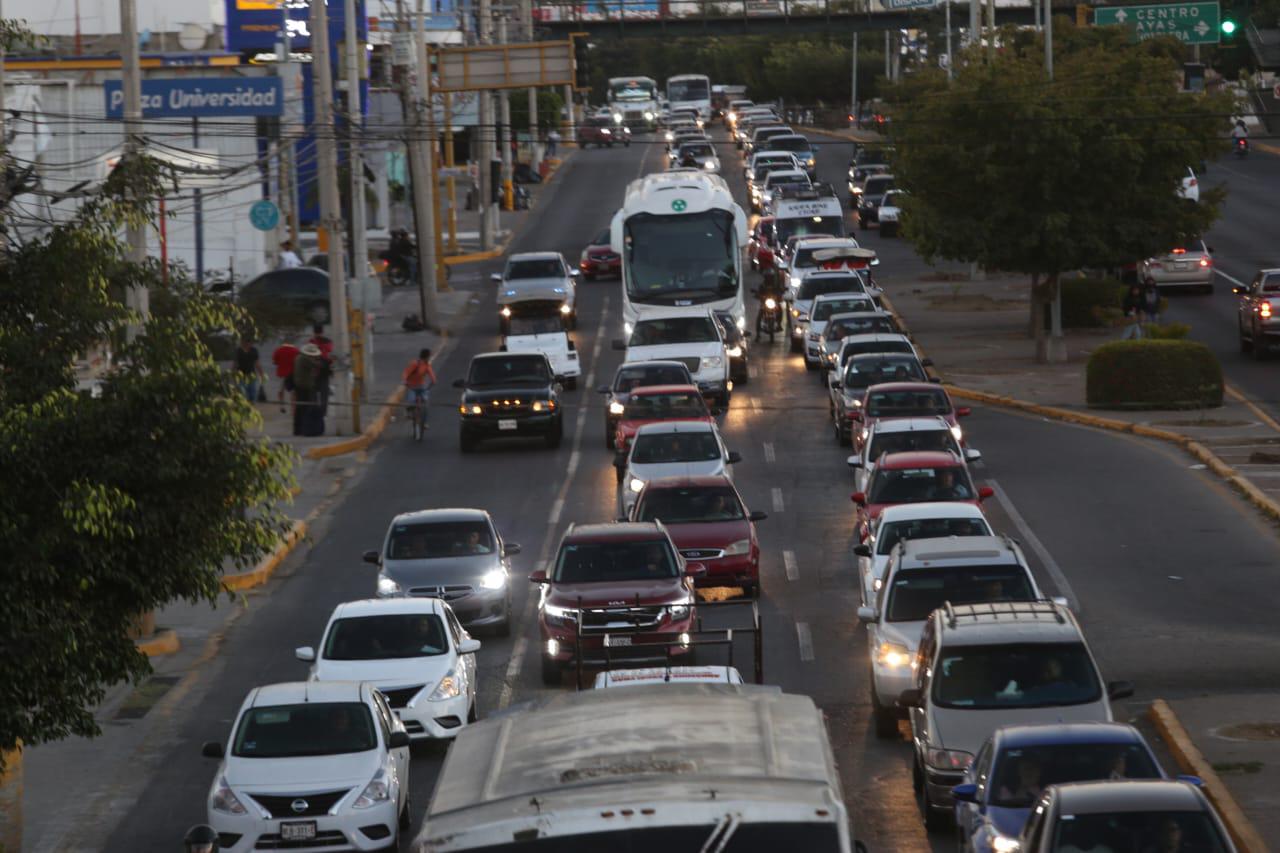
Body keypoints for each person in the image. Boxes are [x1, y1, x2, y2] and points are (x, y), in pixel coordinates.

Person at [402, 348, 437, 422]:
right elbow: (406, 373)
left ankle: (424, 422)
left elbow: (432, 376)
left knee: (425, 401)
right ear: (426, 357)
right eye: (429, 356)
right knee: (411, 401)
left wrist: (432, 383)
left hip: (421, 386)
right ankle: (408, 412)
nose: (429, 358)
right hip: (412, 386)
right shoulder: (415, 364)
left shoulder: (427, 365)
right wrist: (405, 381)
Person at [271, 337, 300, 414]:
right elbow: (298, 363)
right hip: (292, 374)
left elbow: (274, 362)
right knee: (293, 392)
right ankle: (293, 409)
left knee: (281, 390)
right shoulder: (296, 351)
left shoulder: (278, 350)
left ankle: (282, 406)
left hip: (282, 374)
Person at [234, 338, 265, 403]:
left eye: (249, 342)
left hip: (251, 375)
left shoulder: (254, 350)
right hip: (241, 376)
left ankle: (251, 405)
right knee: (243, 393)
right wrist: (233, 373)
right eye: (245, 342)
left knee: (252, 394)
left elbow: (257, 363)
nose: (247, 344)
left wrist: (261, 374)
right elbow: (235, 363)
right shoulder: (238, 351)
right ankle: (244, 405)